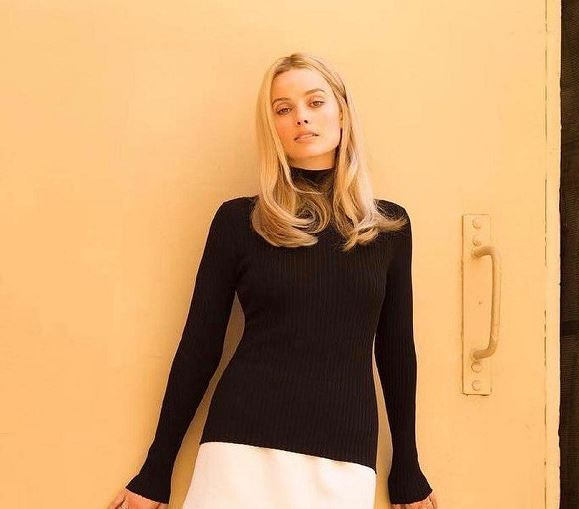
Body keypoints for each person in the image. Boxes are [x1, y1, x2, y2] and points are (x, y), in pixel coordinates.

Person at [108, 52, 438, 509]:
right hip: (238, 449)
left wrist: (407, 465)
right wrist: (156, 468)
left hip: (343, 456)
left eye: (315, 102)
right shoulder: (240, 222)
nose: (301, 116)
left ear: (343, 112)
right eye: (283, 109)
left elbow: (397, 351)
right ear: (273, 127)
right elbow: (200, 346)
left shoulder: (387, 228)